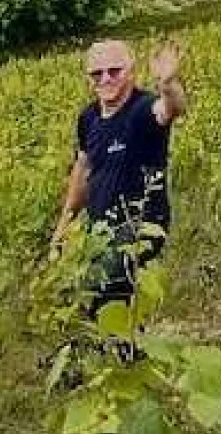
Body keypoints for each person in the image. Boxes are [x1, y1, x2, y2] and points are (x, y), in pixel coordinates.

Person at [52, 37, 189, 311]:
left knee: (104, 290)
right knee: (86, 297)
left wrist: (168, 84)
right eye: (97, 74)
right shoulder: (88, 118)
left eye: (114, 71)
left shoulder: (143, 109)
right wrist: (64, 225)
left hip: (140, 225)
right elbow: (83, 169)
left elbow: (170, 109)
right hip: (100, 229)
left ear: (131, 71)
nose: (105, 79)